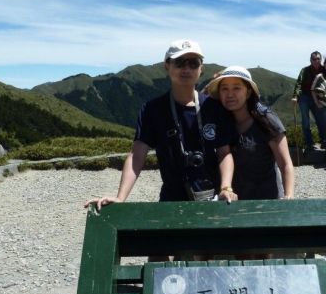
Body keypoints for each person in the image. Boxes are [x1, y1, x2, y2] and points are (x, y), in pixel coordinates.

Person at [85, 39, 238, 210]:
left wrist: (226, 188)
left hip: (214, 200)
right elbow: (137, 155)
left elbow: (224, 153)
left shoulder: (214, 107)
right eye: (179, 62)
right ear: (167, 66)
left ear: (201, 68)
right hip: (170, 203)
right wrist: (120, 198)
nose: (186, 69)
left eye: (193, 63)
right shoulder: (152, 109)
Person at [206, 66, 294, 200]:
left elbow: (285, 163)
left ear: (248, 92)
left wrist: (289, 196)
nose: (230, 94)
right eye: (224, 88)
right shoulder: (220, 120)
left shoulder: (266, 120)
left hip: (268, 201)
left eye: (236, 88)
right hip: (232, 202)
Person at [292, 52, 324, 157]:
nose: (316, 61)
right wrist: (295, 96)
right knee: (306, 121)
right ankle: (310, 144)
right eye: (314, 59)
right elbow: (299, 83)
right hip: (305, 97)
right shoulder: (305, 70)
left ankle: (324, 142)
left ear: (321, 59)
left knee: (320, 120)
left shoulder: (324, 70)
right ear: (310, 60)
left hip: (317, 98)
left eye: (318, 59)